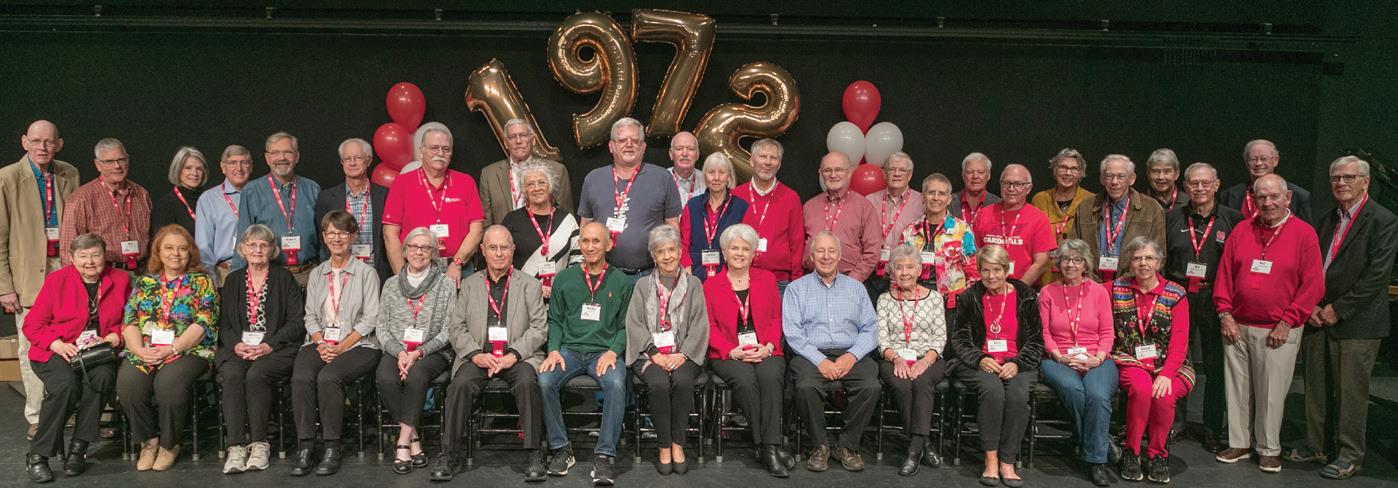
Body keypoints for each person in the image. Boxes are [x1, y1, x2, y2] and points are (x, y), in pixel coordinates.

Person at [1291, 156, 1397, 479]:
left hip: (1357, 322)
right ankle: (1316, 445)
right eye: (1336, 178)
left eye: (1349, 177)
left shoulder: (1383, 220)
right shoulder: (1327, 219)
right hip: (1318, 317)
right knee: (1316, 388)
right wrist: (1311, 305)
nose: (1341, 183)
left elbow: (1376, 276)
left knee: (1351, 394)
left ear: (1365, 182)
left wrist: (1338, 309)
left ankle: (1350, 454)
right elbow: (1311, 267)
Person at [1213, 174, 1324, 473]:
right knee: (1237, 388)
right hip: (1236, 325)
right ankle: (1239, 442)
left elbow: (1313, 285)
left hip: (1278, 329)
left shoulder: (1304, 234)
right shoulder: (1242, 230)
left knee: (1271, 393)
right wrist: (1225, 313)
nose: (1268, 202)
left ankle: (1268, 448)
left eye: (1274, 196)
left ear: (1288, 198)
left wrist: (1288, 322)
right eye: (1261, 197)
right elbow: (1225, 275)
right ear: (1254, 199)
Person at [435, 225, 549, 481]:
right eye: (493, 247)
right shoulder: (469, 285)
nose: (499, 253)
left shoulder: (530, 285)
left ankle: (534, 452)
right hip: (479, 355)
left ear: (513, 250)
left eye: (504, 247)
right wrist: (475, 354)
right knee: (459, 385)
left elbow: (539, 328)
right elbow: (456, 327)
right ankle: (448, 453)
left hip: (517, 356)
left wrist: (513, 355)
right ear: (482, 250)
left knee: (528, 383)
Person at [22, 234, 130, 482]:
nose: (89, 262)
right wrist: (56, 343)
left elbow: (131, 318)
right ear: (71, 258)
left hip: (98, 351)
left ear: (105, 256)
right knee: (66, 386)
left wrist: (115, 335)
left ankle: (78, 449)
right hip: (56, 350)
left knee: (103, 378)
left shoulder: (120, 279)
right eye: (83, 256)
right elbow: (33, 324)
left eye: (95, 255)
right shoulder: (57, 280)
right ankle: (38, 456)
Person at [115, 225, 218, 472]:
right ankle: (148, 441)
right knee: (129, 383)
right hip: (146, 349)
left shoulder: (202, 282)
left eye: (182, 248)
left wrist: (172, 348)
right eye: (169, 248)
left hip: (189, 350)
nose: (176, 254)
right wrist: (138, 350)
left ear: (190, 252)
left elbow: (203, 323)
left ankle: (170, 444)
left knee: (168, 383)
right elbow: (129, 321)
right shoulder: (144, 282)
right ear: (158, 252)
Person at [0, 120, 80, 439]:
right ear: (24, 142)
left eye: (49, 141)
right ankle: (37, 415)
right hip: (27, 273)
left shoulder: (69, 173)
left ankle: (68, 410)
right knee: (32, 347)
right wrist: (4, 287)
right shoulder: (7, 178)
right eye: (36, 141)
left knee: (70, 340)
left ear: (58, 144)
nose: (42, 147)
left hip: (65, 267)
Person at [538, 222, 633, 486]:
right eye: (585, 241)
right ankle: (561, 449)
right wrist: (553, 350)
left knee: (616, 383)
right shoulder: (564, 278)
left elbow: (626, 325)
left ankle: (604, 455)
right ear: (579, 244)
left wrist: (613, 351)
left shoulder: (621, 281)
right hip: (569, 351)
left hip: (603, 352)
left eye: (596, 241)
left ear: (608, 245)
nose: (590, 247)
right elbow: (555, 320)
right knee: (544, 381)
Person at [291, 210, 383, 476]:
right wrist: (321, 343)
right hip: (321, 341)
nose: (337, 238)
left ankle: (332, 447)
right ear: (324, 237)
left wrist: (340, 347)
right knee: (301, 377)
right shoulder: (317, 274)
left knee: (328, 377)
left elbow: (370, 318)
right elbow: (310, 315)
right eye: (331, 233)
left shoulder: (366, 273)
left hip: (359, 344)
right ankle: (306, 446)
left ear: (352, 236)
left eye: (343, 233)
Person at [783, 231, 882, 472]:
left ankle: (847, 446)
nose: (826, 256)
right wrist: (820, 360)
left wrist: (852, 355)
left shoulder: (857, 288)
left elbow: (871, 328)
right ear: (811, 256)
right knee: (806, 386)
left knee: (871, 386)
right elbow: (793, 332)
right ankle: (820, 446)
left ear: (840, 256)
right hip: (810, 354)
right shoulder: (796, 289)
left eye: (831, 251)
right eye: (820, 251)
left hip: (850, 352)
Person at [1162, 162, 1243, 453]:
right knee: (1176, 360)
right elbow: (1162, 259)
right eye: (1194, 183)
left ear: (1217, 185)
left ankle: (1212, 428)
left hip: (1215, 297)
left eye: (1205, 183)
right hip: (1178, 296)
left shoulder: (1233, 219)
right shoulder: (1172, 217)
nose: (1199, 188)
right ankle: (1175, 423)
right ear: (1185, 187)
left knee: (1215, 364)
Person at [949, 244, 1043, 488]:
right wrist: (979, 358)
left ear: (1006, 269)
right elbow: (959, 339)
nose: (991, 276)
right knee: (992, 391)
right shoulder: (970, 296)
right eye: (986, 270)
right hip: (978, 362)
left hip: (1017, 362)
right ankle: (991, 459)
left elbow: (1035, 341)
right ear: (979, 271)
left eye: (997, 270)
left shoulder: (1026, 296)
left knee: (1018, 395)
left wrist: (1018, 364)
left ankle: (1007, 460)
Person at [218, 224, 305, 474]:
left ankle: (259, 443)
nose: (257, 250)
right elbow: (224, 324)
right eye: (252, 245)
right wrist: (237, 345)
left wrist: (269, 345)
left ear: (272, 250)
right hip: (240, 348)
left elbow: (296, 322)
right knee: (232, 375)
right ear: (242, 249)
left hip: (276, 349)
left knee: (257, 375)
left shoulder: (284, 278)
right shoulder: (233, 280)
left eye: (263, 245)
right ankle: (236, 446)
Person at [625, 225, 709, 475]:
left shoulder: (693, 284)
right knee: (659, 384)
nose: (667, 256)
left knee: (682, 381)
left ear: (680, 252)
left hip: (685, 353)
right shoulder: (642, 285)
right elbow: (634, 323)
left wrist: (682, 354)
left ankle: (677, 444)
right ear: (653, 256)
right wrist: (655, 353)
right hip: (649, 354)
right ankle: (663, 446)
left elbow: (700, 324)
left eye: (671, 250)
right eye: (661, 251)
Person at [1111, 236, 1193, 484]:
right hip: (1131, 359)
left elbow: (1180, 340)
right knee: (1142, 389)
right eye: (1137, 258)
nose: (1143, 263)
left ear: (1159, 262)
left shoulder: (1176, 293)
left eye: (1149, 258)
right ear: (1130, 262)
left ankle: (1158, 454)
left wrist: (1167, 374)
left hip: (1171, 364)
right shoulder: (1116, 288)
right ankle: (1132, 452)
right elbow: (1085, 290)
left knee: (1164, 395)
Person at [376, 227, 457, 474]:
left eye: (425, 248)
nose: (419, 252)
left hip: (433, 352)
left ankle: (402, 441)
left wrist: (418, 352)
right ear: (405, 250)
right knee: (385, 378)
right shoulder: (391, 284)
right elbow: (381, 328)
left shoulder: (445, 284)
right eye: (414, 247)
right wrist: (400, 352)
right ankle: (414, 438)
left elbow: (449, 329)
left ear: (433, 253)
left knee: (417, 375)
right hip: (397, 350)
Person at [1037, 238, 1115, 486]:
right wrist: (1059, 356)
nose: (1071, 264)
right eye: (1066, 259)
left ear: (1086, 264)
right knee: (1073, 390)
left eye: (1077, 259)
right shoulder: (1047, 292)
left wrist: (1097, 358)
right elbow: (1044, 333)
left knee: (1098, 396)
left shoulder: (1099, 292)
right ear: (1058, 263)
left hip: (1096, 357)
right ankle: (1100, 450)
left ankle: (1095, 458)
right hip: (1057, 358)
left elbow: (1107, 332)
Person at [876, 244, 951, 476]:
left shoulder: (934, 298)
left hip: (929, 357)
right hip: (893, 358)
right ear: (892, 271)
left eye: (910, 267)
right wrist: (897, 359)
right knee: (901, 385)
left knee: (922, 382)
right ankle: (924, 443)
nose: (904, 272)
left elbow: (940, 338)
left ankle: (913, 451)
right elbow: (882, 340)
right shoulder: (884, 299)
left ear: (919, 270)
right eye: (899, 268)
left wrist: (924, 361)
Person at [577, 117, 683, 279]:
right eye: (622, 140)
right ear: (611, 146)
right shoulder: (593, 179)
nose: (629, 144)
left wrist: (670, 265)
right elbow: (585, 225)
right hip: (604, 273)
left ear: (643, 147)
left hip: (649, 273)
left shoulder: (663, 178)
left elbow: (672, 225)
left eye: (635, 140)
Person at [383, 122, 485, 285]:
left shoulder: (466, 182)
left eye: (446, 149)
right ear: (421, 151)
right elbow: (390, 234)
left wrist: (457, 263)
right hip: (415, 267)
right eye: (434, 148)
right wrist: (402, 275)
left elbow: (477, 230)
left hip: (459, 268)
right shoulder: (402, 183)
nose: (441, 153)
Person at [233, 132, 321, 285]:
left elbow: (323, 236)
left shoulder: (312, 189)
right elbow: (243, 238)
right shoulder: (252, 191)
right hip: (270, 277)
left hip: (310, 275)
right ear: (267, 158)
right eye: (275, 153)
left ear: (297, 157)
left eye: (287, 152)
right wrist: (237, 282)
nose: (282, 158)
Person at [1068, 154, 1166, 283]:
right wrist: (1090, 281)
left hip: (1134, 285)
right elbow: (1074, 249)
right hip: (1092, 285)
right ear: (1102, 179)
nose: (1114, 182)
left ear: (1131, 179)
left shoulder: (1151, 208)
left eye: (1121, 176)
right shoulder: (1086, 207)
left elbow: (1159, 254)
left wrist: (1127, 282)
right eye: (1109, 176)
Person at [59, 138, 152, 271]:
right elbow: (68, 248)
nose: (117, 166)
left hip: (141, 272)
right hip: (103, 274)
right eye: (109, 161)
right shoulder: (81, 198)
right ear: (98, 165)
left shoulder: (141, 194)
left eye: (121, 160)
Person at [314, 138, 392, 281]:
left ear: (368, 160)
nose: (352, 163)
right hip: (340, 275)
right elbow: (322, 239)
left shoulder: (385, 195)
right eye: (347, 159)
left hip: (377, 274)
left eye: (358, 158)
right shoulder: (327, 198)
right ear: (342, 162)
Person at [500, 161, 580, 299]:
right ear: (524, 190)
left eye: (542, 182)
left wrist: (564, 286)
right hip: (521, 296)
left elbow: (578, 259)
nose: (537, 188)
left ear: (550, 186)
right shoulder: (512, 220)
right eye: (530, 184)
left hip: (560, 297)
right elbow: (502, 259)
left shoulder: (567, 221)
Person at [734, 138, 804, 291]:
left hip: (779, 283)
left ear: (779, 164)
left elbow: (797, 242)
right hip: (741, 279)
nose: (767, 162)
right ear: (751, 161)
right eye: (763, 156)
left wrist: (796, 282)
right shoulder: (735, 196)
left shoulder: (791, 198)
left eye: (773, 158)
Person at [900, 173, 978, 308]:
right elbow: (899, 269)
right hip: (915, 302)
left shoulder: (962, 230)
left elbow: (973, 273)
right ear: (922, 197)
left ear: (949, 199)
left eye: (941, 194)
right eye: (931, 193)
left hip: (952, 304)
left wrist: (966, 304)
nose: (936, 198)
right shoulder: (910, 231)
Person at [478, 118, 574, 227]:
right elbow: (486, 223)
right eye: (512, 137)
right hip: (505, 236)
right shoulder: (489, 175)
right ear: (505, 143)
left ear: (533, 140)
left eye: (523, 135)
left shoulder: (556, 170)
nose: (518, 141)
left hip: (545, 236)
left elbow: (566, 217)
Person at [972, 164, 1056, 285]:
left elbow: (1040, 263)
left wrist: (1017, 290)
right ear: (1001, 185)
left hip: (1024, 289)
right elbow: (974, 256)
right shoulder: (984, 214)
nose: (1011, 188)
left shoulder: (1039, 218)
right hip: (987, 288)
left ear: (1028, 188)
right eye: (1007, 183)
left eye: (1018, 184)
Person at [803, 152, 881, 281]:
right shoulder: (809, 206)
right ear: (821, 173)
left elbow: (873, 250)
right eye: (827, 170)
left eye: (838, 170)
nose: (833, 175)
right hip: (811, 280)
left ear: (849, 172)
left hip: (848, 279)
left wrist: (853, 281)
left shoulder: (864, 207)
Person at [679, 153, 748, 281]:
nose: (716, 178)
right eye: (711, 172)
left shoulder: (741, 207)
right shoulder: (692, 205)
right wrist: (688, 272)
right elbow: (683, 243)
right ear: (705, 176)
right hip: (696, 276)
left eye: (721, 173)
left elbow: (745, 247)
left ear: (728, 177)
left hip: (729, 278)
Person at [1031, 149, 1095, 286]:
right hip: (1044, 274)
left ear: (1081, 173)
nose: (1068, 173)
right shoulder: (1040, 199)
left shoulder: (1090, 200)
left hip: (1077, 274)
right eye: (1063, 167)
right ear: (1055, 170)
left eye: (1074, 169)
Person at [195, 145, 253, 285]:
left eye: (244, 162)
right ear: (223, 167)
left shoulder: (261, 195)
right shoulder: (209, 199)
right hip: (225, 274)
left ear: (251, 167)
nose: (239, 168)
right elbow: (203, 247)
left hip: (259, 270)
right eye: (233, 163)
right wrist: (211, 282)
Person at [1218, 140, 1312, 222]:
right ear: (1246, 163)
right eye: (1253, 159)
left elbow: (1304, 232)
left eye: (1264, 158)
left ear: (1276, 160)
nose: (1258, 163)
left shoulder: (1299, 196)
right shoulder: (1228, 195)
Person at [868, 153, 922, 280]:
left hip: (907, 277)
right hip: (872, 275)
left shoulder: (922, 202)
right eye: (892, 169)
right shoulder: (869, 201)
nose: (897, 174)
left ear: (909, 175)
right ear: (884, 174)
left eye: (902, 170)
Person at [150, 146, 207, 239]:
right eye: (188, 168)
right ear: (177, 170)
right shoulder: (166, 205)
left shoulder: (210, 200)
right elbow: (160, 242)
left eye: (199, 169)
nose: (195, 173)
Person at [950, 152, 1000, 221]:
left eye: (980, 172)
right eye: (970, 172)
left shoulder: (999, 205)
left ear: (989, 175)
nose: (975, 176)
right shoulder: (948, 202)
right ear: (963, 175)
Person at [668, 131, 704, 207]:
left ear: (697, 154)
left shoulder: (707, 181)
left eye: (690, 149)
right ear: (671, 154)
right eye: (679, 149)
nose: (684, 154)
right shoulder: (660, 180)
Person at [1145, 149, 1185, 214]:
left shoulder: (1188, 203)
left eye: (1167, 171)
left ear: (1177, 174)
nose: (1161, 177)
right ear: (1148, 174)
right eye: (1156, 171)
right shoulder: (1138, 203)